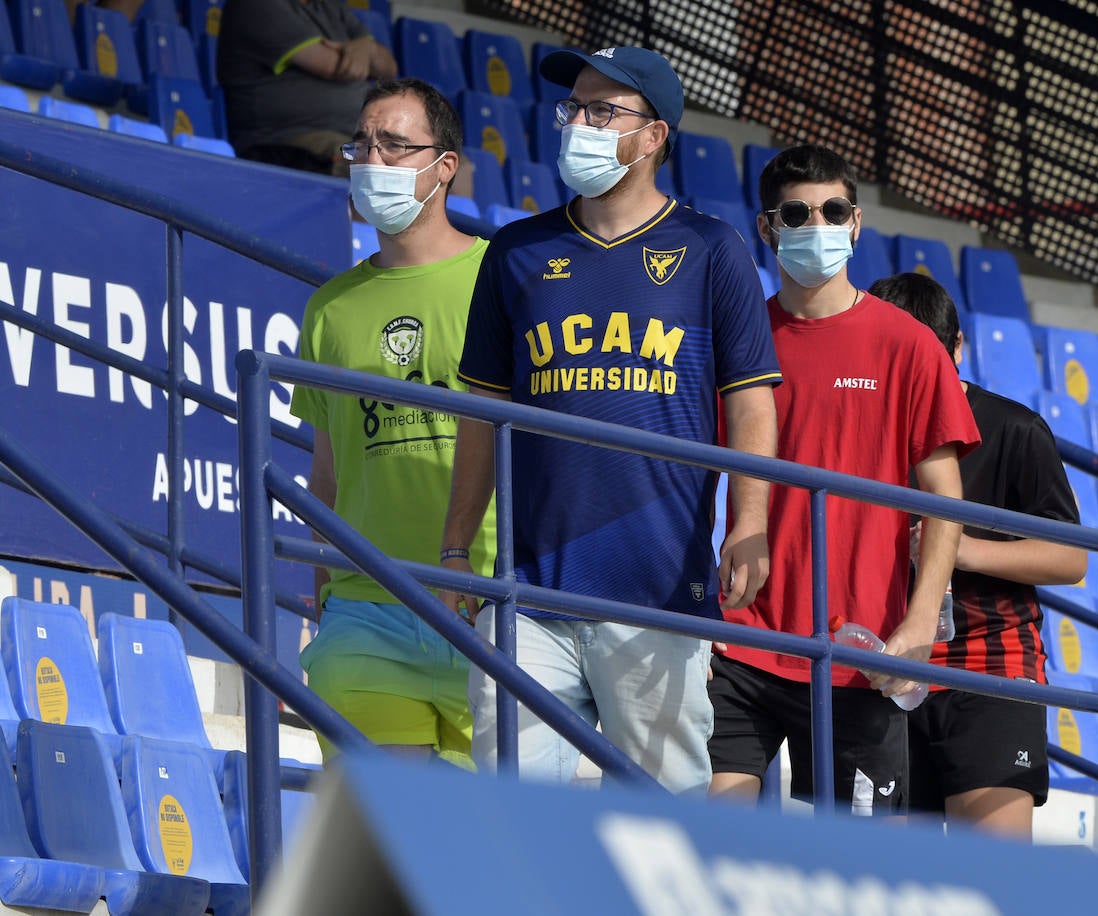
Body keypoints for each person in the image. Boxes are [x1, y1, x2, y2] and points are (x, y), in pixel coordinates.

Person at [440, 46, 780, 795]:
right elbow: (481, 411)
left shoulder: (711, 250)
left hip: (658, 589)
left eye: (602, 111)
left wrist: (748, 524)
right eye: (573, 109)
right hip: (527, 588)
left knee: (667, 832)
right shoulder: (517, 251)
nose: (578, 125)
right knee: (519, 823)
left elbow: (752, 400)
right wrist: (457, 546)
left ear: (654, 136)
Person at [707, 145, 981, 815]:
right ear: (768, 228)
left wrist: (920, 621)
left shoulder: (908, 344)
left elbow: (944, 499)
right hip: (744, 640)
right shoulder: (736, 338)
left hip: (861, 653)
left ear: (857, 224)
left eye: (834, 211)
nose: (818, 226)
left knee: (856, 877)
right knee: (708, 841)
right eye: (797, 213)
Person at [291, 78, 495, 767]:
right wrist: (323, 603)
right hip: (365, 609)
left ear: (445, 168)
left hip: (488, 605)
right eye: (363, 143)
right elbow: (327, 472)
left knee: (480, 857)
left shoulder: (500, 280)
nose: (372, 160)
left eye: (396, 145)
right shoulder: (330, 307)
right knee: (386, 847)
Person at [868, 271, 1088, 839]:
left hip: (991, 669)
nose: (914, 378)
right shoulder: (865, 426)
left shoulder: (1015, 429)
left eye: (928, 359)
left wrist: (964, 550)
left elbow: (1072, 560)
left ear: (957, 349)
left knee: (993, 883)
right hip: (888, 670)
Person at [217, 0, 397, 175]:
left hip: (352, 137)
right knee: (394, 173)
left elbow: (389, 67)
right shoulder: (256, 5)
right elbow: (336, 66)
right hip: (288, 143)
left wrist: (366, 47)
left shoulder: (330, 6)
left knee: (414, 160)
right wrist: (367, 50)